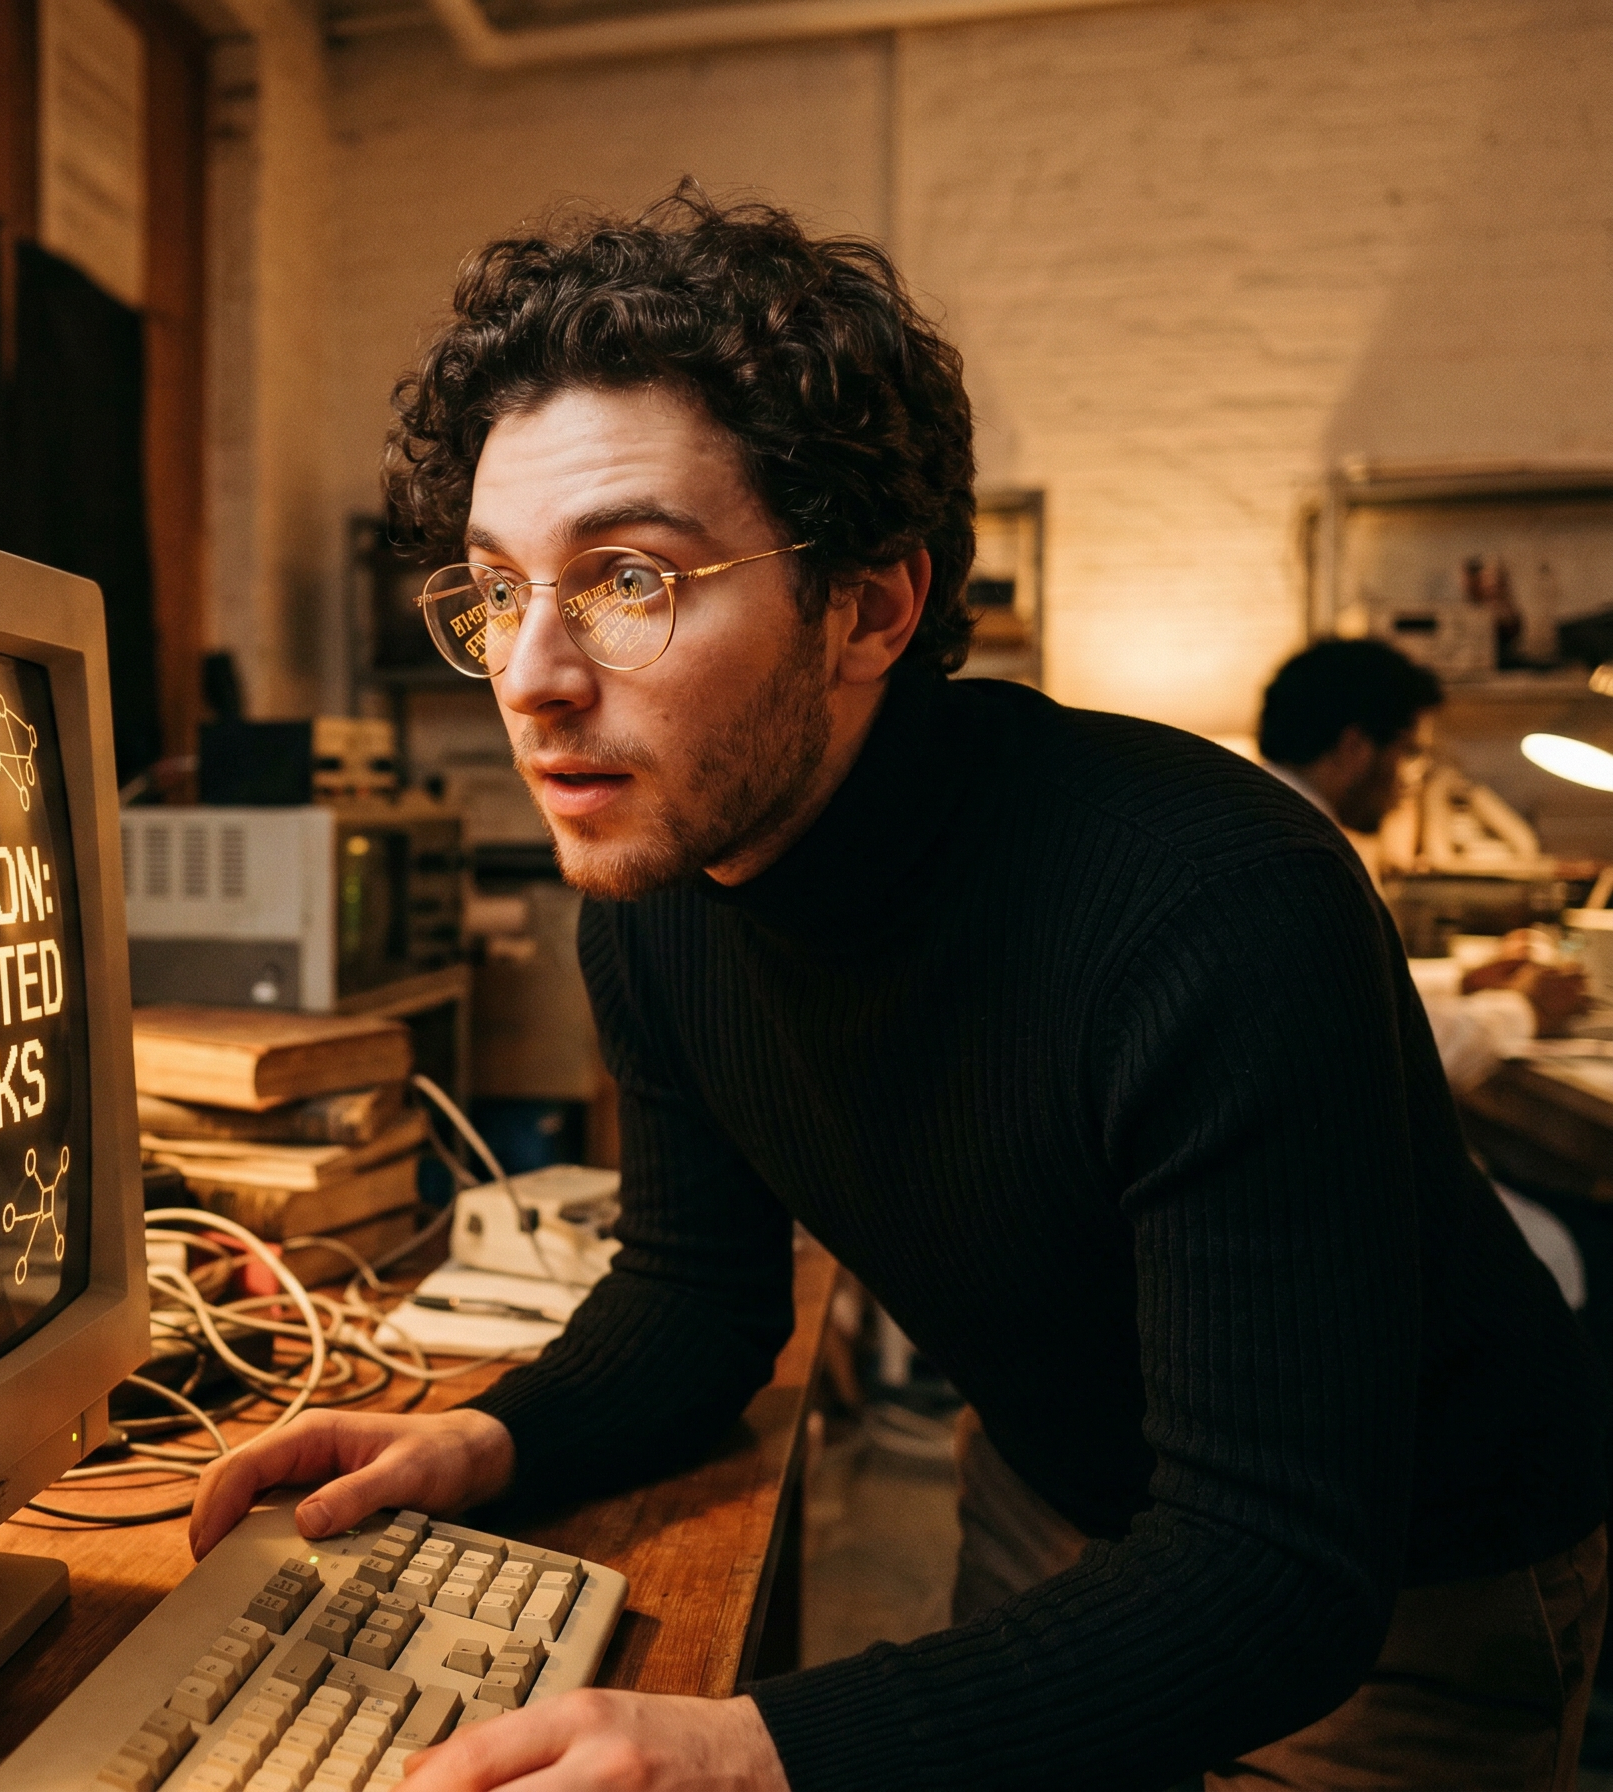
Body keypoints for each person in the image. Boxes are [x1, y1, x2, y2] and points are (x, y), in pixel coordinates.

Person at [189, 188, 1611, 1791]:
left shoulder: (1213, 899)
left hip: (1401, 1576)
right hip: (1052, 1478)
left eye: (629, 579)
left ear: (873, 604)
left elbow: (1276, 1571)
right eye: (501, 587)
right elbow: (696, 1297)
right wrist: (492, 1438)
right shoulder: (657, 897)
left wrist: (749, 1747)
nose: (529, 673)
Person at [1258, 638, 1591, 1090]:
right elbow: (1388, 1049)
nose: (1409, 780)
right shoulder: (1306, 857)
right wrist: (1525, 1009)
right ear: (1354, 746)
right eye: (1407, 751)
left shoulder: (1262, 816)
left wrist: (1461, 982)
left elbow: (1348, 992)